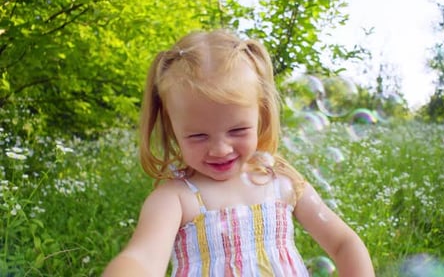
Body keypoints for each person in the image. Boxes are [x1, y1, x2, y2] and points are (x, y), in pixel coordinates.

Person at [103, 29, 375, 277]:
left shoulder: (281, 182)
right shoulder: (175, 199)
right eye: (198, 135)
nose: (220, 149)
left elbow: (343, 243)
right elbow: (143, 258)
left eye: (238, 130)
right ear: (172, 130)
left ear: (262, 115)